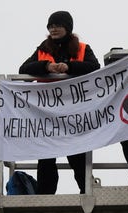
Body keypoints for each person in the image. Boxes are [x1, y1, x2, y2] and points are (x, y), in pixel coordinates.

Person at [19, 11, 100, 194]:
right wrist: (46, 67)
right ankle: (45, 195)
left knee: (77, 156)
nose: (53, 29)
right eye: (51, 26)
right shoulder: (42, 50)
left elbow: (94, 68)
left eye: (58, 25)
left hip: (75, 112)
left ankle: (86, 192)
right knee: (46, 157)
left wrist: (69, 67)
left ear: (67, 28)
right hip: (48, 113)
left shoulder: (82, 48)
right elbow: (23, 69)